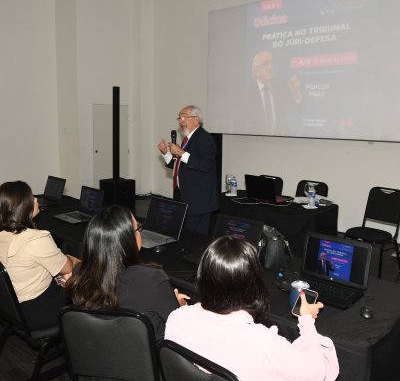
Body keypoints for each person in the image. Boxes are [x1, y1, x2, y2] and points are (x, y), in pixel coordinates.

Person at [165, 236, 339, 381]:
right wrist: (307, 323)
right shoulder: (264, 344)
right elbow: (318, 372)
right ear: (253, 285)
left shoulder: (176, 318)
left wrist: (184, 310)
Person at [66, 205, 188, 342]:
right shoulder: (152, 280)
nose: (140, 232)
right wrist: (181, 308)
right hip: (148, 359)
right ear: (128, 240)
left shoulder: (79, 276)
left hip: (95, 356)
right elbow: (179, 328)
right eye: (138, 228)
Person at [0, 181, 79, 330]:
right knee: (82, 274)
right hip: (37, 312)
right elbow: (67, 267)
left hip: (10, 308)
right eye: (31, 198)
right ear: (23, 208)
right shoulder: (35, 239)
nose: (36, 199)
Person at [157, 105, 219, 234]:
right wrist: (166, 154)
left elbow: (206, 164)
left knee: (196, 240)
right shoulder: (187, 139)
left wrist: (181, 152)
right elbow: (180, 166)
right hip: (186, 198)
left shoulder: (203, 137)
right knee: (187, 237)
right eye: (179, 118)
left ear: (196, 119)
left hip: (199, 202)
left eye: (183, 117)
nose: (180, 121)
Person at [243, 51, 302, 135]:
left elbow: (296, 110)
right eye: (266, 64)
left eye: (271, 63)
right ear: (256, 69)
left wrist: (295, 92)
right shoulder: (248, 93)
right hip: (256, 141)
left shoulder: (280, 86)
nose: (270, 67)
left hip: (280, 141)